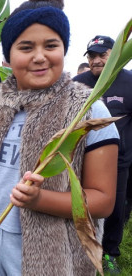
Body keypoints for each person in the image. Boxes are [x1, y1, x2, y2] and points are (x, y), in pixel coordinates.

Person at [0, 0, 120, 275]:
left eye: (51, 45)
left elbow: (103, 200)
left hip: (50, 258)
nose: (40, 56)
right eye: (26, 47)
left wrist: (41, 200)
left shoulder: (87, 111)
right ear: (8, 56)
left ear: (63, 49)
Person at [73, 35, 132, 273]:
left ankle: (109, 254)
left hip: (118, 163)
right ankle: (81, 250)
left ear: (114, 55)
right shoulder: (78, 84)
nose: (96, 60)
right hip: (81, 161)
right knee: (81, 207)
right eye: (92, 56)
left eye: (102, 55)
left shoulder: (129, 82)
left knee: (115, 211)